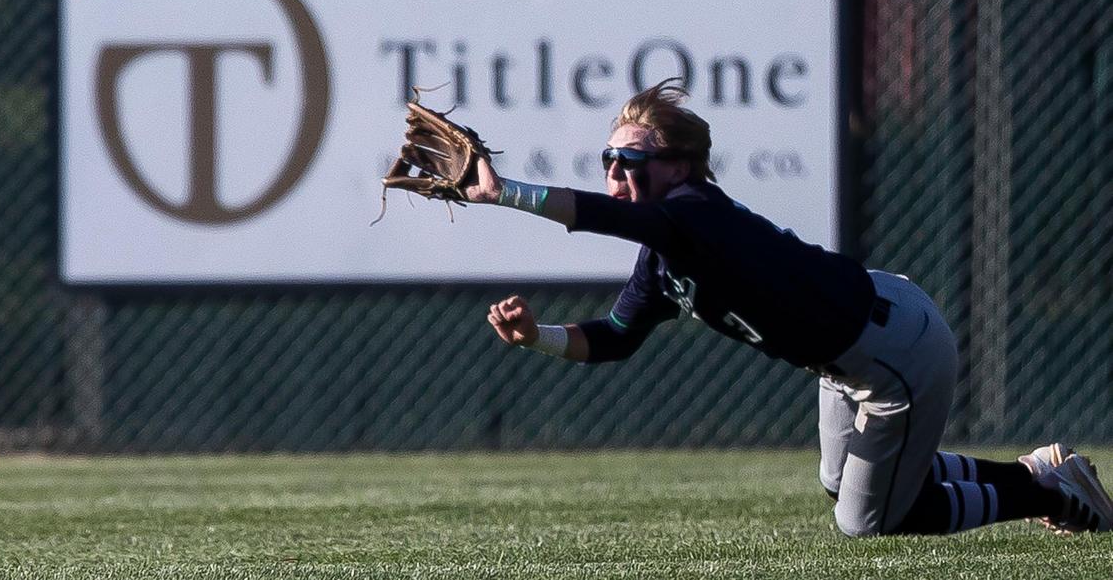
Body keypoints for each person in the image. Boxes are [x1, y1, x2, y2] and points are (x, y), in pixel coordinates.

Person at [461, 78, 1113, 536]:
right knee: (841, 481)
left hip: (895, 355)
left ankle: (1042, 494)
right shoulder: (662, 254)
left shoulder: (695, 213)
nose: (617, 173)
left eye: (633, 159)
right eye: (609, 159)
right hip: (859, 343)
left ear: (682, 168)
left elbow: (605, 216)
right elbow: (614, 337)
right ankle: (1039, 469)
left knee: (869, 518)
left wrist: (506, 191)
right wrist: (534, 336)